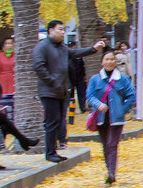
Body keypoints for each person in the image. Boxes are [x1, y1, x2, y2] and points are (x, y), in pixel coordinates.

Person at [32, 20, 106, 164]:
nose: (62, 32)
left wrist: (93, 49)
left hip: (61, 91)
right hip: (49, 91)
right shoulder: (42, 47)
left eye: (63, 30)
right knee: (51, 122)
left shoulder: (62, 48)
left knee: (59, 120)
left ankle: (54, 150)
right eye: (60, 29)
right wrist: (52, 81)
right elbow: (38, 67)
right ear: (51, 30)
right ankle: (50, 152)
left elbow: (75, 53)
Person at [86, 50, 137, 185]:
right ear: (102, 62)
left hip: (116, 118)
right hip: (101, 118)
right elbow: (90, 96)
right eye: (106, 59)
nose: (109, 62)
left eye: (112, 59)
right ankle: (109, 169)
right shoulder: (95, 79)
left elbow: (131, 96)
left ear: (115, 62)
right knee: (105, 145)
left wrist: (122, 109)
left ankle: (111, 173)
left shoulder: (123, 79)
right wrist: (98, 105)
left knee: (112, 144)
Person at [0, 37, 16, 123]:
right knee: (3, 101)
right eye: (7, 43)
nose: (9, 45)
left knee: (13, 100)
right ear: (3, 46)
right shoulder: (0, 56)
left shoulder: (16, 55)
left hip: (13, 79)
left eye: (10, 43)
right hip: (3, 80)